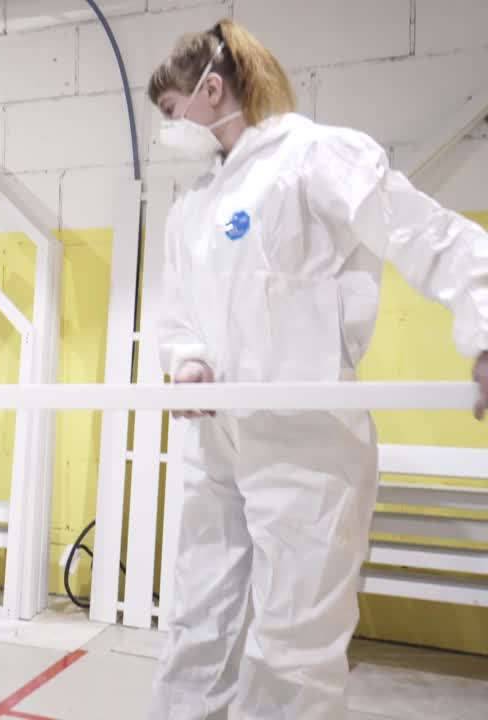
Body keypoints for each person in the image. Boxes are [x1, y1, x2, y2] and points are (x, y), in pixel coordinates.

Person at [145, 19, 488, 720]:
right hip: (219, 445)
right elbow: (179, 314)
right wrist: (187, 363)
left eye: (172, 112)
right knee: (196, 624)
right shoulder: (195, 206)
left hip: (307, 443)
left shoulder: (313, 157)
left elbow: (427, 234)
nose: (167, 131)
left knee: (292, 649)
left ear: (212, 90)